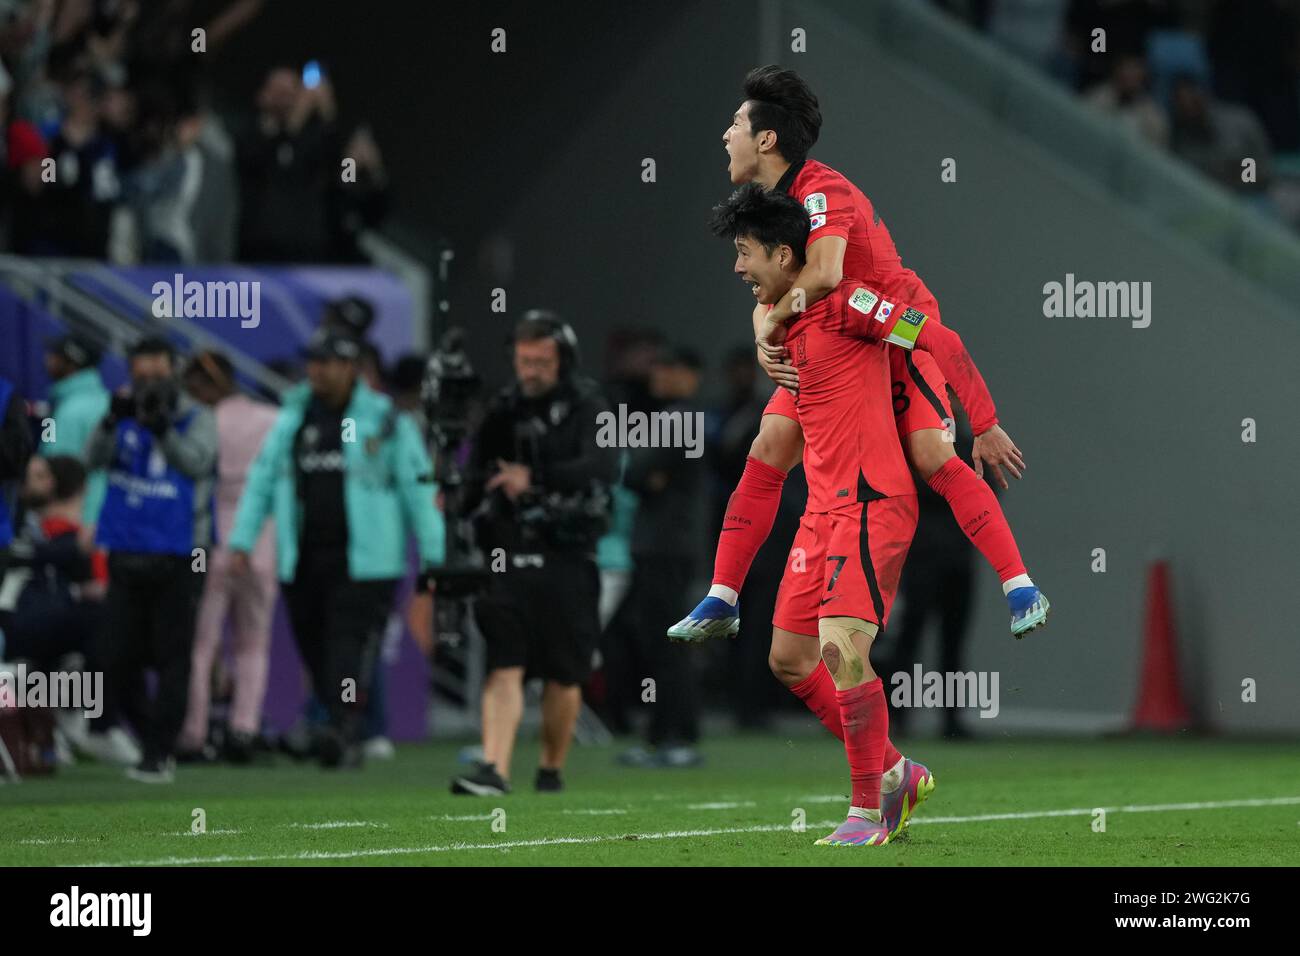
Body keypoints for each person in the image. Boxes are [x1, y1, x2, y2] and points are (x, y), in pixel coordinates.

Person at [670, 66, 1047, 642]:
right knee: (767, 445)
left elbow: (822, 274)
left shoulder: (822, 189)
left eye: (735, 124)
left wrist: (986, 422)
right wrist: (764, 327)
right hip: (833, 341)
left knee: (930, 456)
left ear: (766, 139)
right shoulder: (768, 202)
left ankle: (1018, 584)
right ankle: (722, 596)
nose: (726, 134)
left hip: (891, 334)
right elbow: (768, 283)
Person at [709, 183, 946, 845]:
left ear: (785, 255)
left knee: (844, 650)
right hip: (824, 509)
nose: (737, 267)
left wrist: (968, 415)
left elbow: (924, 335)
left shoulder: (847, 305)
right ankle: (896, 770)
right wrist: (767, 330)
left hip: (872, 501)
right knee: (787, 657)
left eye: (745, 253)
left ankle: (867, 812)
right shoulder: (780, 329)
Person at [228, 328, 443, 768]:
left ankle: (343, 731)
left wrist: (435, 553)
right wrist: (241, 540)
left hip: (367, 561)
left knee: (347, 648)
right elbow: (262, 482)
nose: (317, 371)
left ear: (350, 368)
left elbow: (418, 489)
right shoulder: (293, 419)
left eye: (326, 363)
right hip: (305, 557)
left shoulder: (385, 421)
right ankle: (336, 725)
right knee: (316, 650)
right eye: (313, 362)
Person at [451, 312, 617, 796]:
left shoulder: (589, 406)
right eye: (524, 360)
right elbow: (477, 472)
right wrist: (459, 495)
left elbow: (602, 467)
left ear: (563, 360)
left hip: (569, 553)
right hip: (507, 553)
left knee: (565, 673)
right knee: (505, 662)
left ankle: (550, 769)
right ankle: (494, 770)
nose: (532, 370)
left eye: (542, 360)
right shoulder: (501, 411)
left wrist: (536, 477)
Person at [85, 337, 218, 783]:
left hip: (183, 553)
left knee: (172, 657)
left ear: (173, 370)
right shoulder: (121, 412)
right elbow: (91, 460)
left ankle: (159, 752)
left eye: (155, 371)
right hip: (126, 547)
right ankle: (136, 733)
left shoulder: (198, 417)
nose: (147, 381)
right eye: (140, 371)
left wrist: (163, 429)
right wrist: (109, 420)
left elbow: (197, 465)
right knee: (111, 655)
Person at [178, 351, 279, 763]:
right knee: (253, 642)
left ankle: (194, 732)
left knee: (201, 645)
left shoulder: (200, 423)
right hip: (261, 539)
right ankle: (244, 729)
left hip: (212, 537)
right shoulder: (272, 419)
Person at [612, 347, 707, 766]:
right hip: (667, 545)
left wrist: (647, 475)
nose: (658, 375)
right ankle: (672, 733)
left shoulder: (680, 419)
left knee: (665, 640)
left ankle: (670, 736)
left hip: (665, 545)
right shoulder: (675, 419)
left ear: (689, 376)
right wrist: (647, 475)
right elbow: (640, 476)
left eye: (668, 368)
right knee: (667, 639)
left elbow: (632, 473)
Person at [40, 333, 109, 525]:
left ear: (71, 363)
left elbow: (57, 469)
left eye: (56, 355)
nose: (48, 359)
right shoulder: (102, 400)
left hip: (70, 520)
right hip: (94, 517)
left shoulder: (71, 410)